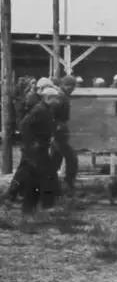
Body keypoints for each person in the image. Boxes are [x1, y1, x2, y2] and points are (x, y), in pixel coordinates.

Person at [4, 88, 62, 217]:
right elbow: (24, 125)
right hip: (36, 149)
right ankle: (37, 206)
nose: (57, 101)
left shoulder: (45, 109)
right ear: (47, 98)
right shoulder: (40, 110)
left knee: (41, 176)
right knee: (39, 177)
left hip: (40, 147)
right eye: (55, 98)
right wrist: (31, 142)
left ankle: (34, 206)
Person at [50, 76, 78, 198]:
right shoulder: (60, 98)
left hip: (59, 132)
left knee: (55, 161)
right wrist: (56, 126)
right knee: (72, 159)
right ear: (66, 85)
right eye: (70, 86)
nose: (72, 89)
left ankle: (50, 186)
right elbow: (51, 115)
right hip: (59, 133)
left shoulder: (61, 96)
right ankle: (68, 186)